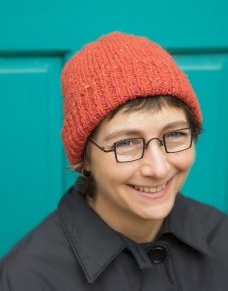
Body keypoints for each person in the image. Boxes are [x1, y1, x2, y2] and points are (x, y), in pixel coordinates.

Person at [1, 32, 228, 290]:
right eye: (126, 143)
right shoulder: (25, 279)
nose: (159, 167)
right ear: (84, 159)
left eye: (174, 135)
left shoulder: (222, 238)